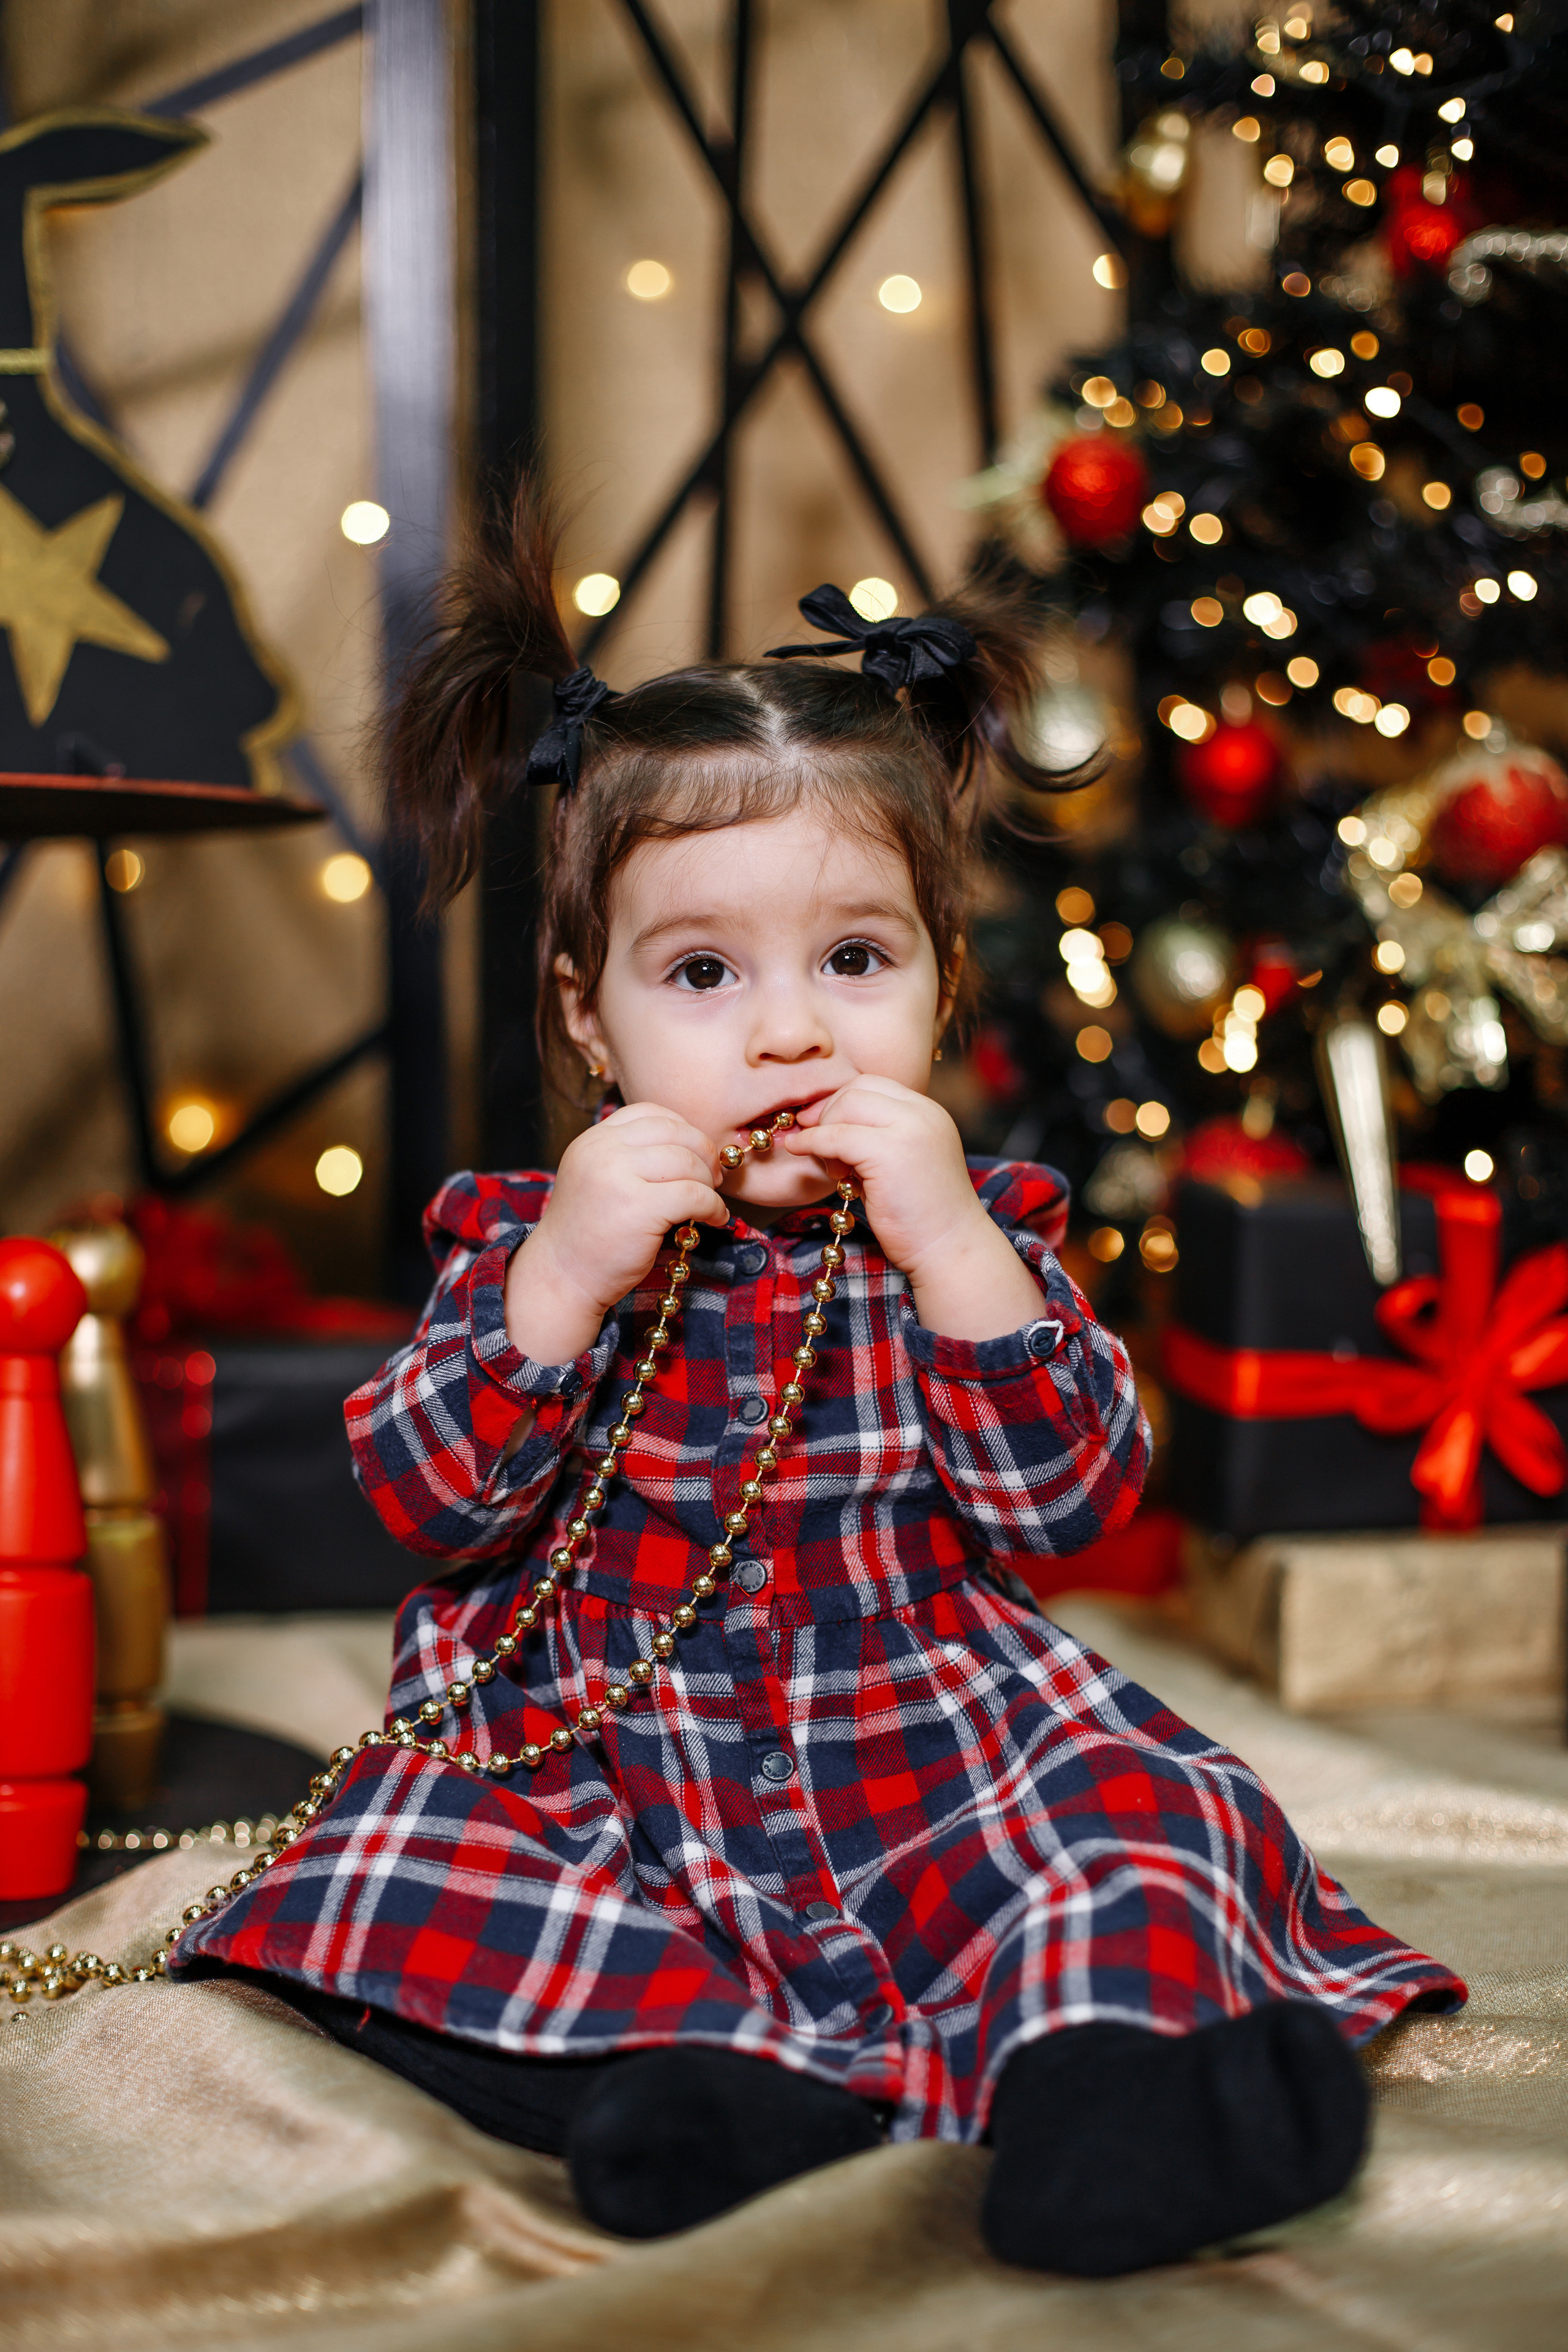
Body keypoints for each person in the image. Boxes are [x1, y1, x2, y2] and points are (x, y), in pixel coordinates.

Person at [172, 492, 1463, 2276]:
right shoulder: (532, 1238)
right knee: (415, 1871)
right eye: (702, 973)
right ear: (587, 1017)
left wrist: (957, 1260)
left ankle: (1127, 2096)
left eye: (857, 960)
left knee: (1132, 1831)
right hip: (600, 1758)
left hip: (926, 1733)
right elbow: (417, 1495)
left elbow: (1074, 1503)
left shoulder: (974, 1231)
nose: (790, 1030)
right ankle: (690, 2085)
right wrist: (557, 1287)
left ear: (940, 985)